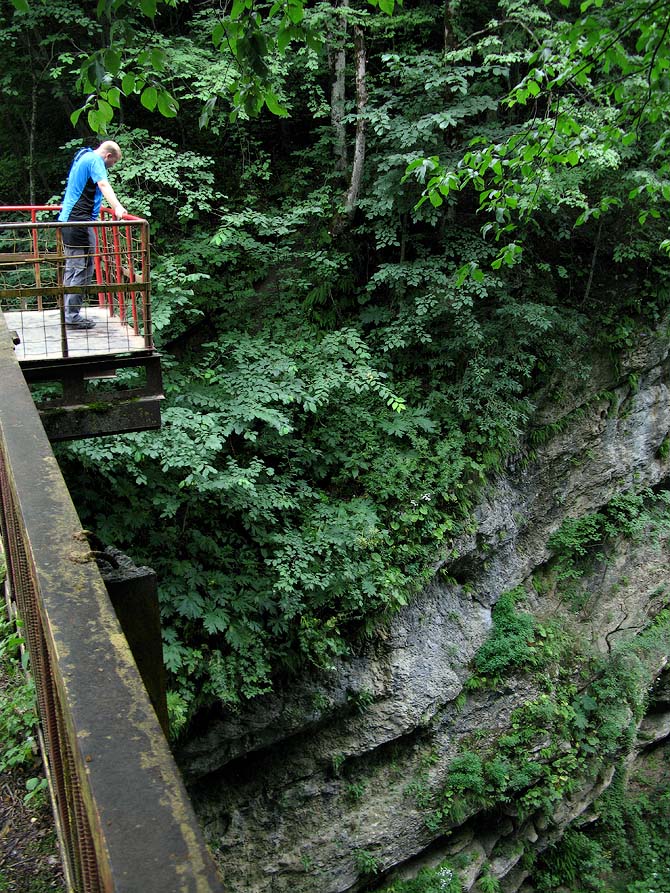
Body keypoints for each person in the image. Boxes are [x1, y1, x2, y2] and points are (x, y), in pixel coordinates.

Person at [58, 140, 126, 329]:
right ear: (108, 156)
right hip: (79, 221)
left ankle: (68, 313)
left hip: (69, 219)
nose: (110, 167)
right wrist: (117, 207)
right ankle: (72, 316)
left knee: (73, 267)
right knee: (83, 268)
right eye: (112, 164)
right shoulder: (95, 160)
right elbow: (103, 184)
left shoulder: (83, 155)